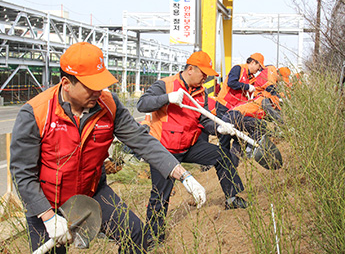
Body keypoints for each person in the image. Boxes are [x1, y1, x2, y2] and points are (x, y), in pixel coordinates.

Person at [11, 42, 206, 253]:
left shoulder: (109, 106)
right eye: (90, 86)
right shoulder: (35, 114)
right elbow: (22, 173)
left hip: (92, 191)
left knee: (135, 235)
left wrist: (183, 174)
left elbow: (143, 141)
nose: (98, 92)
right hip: (47, 201)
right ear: (66, 83)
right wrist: (47, 215)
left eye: (100, 84)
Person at [138, 51, 247, 244]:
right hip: (164, 150)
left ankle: (232, 198)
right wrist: (167, 98)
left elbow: (203, 118)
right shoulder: (165, 85)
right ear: (190, 69)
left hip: (189, 145)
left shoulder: (201, 93)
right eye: (203, 73)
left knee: (222, 155)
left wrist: (219, 127)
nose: (206, 77)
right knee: (160, 193)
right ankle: (154, 235)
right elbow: (142, 104)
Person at [215, 53, 265, 117]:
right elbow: (231, 83)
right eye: (259, 66)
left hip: (234, 108)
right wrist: (247, 87)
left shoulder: (251, 78)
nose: (259, 69)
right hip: (224, 105)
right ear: (253, 62)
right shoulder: (238, 68)